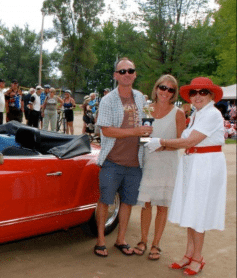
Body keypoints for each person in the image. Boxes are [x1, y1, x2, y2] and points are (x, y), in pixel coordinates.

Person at [145, 77, 226, 275]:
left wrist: (160, 141)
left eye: (203, 92)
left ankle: (198, 257)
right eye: (193, 92)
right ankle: (189, 254)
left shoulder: (212, 114)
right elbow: (185, 140)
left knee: (198, 212)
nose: (197, 96)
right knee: (191, 210)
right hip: (193, 163)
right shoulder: (198, 114)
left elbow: (190, 141)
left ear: (211, 95)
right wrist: (160, 145)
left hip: (206, 165)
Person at [94, 57, 152, 257]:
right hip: (112, 161)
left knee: (128, 202)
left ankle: (121, 239)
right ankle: (101, 240)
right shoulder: (108, 99)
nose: (126, 74)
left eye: (130, 70)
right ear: (115, 76)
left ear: (135, 74)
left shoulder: (141, 98)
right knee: (105, 200)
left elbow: (146, 126)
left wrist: (147, 137)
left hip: (135, 162)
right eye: (122, 71)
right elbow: (107, 130)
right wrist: (136, 131)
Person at [133, 75, 186, 260]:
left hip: (167, 163)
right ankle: (143, 240)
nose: (165, 92)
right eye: (163, 87)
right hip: (149, 162)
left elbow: (182, 142)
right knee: (146, 204)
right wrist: (145, 140)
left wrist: (162, 145)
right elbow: (143, 136)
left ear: (174, 93)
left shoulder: (178, 113)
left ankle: (156, 244)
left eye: (170, 89)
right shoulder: (147, 109)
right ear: (156, 88)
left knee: (162, 205)